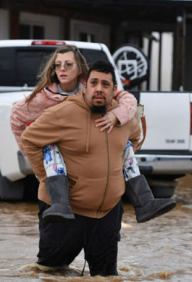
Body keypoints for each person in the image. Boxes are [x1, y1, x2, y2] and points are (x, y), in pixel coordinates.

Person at [10, 45, 175, 224]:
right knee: (52, 145)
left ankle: (145, 203)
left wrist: (116, 115)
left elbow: (129, 100)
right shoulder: (44, 98)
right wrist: (35, 160)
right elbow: (16, 117)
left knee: (124, 146)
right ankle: (60, 204)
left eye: (68, 64)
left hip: (98, 148)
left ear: (79, 68)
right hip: (57, 155)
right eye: (58, 65)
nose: (62, 69)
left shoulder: (93, 86)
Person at [20, 60, 141, 276]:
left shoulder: (123, 117)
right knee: (49, 273)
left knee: (105, 277)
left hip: (107, 213)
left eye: (105, 84)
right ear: (85, 87)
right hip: (65, 213)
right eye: (93, 83)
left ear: (114, 91)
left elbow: (136, 138)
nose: (98, 89)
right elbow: (28, 140)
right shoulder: (63, 112)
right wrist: (47, 179)